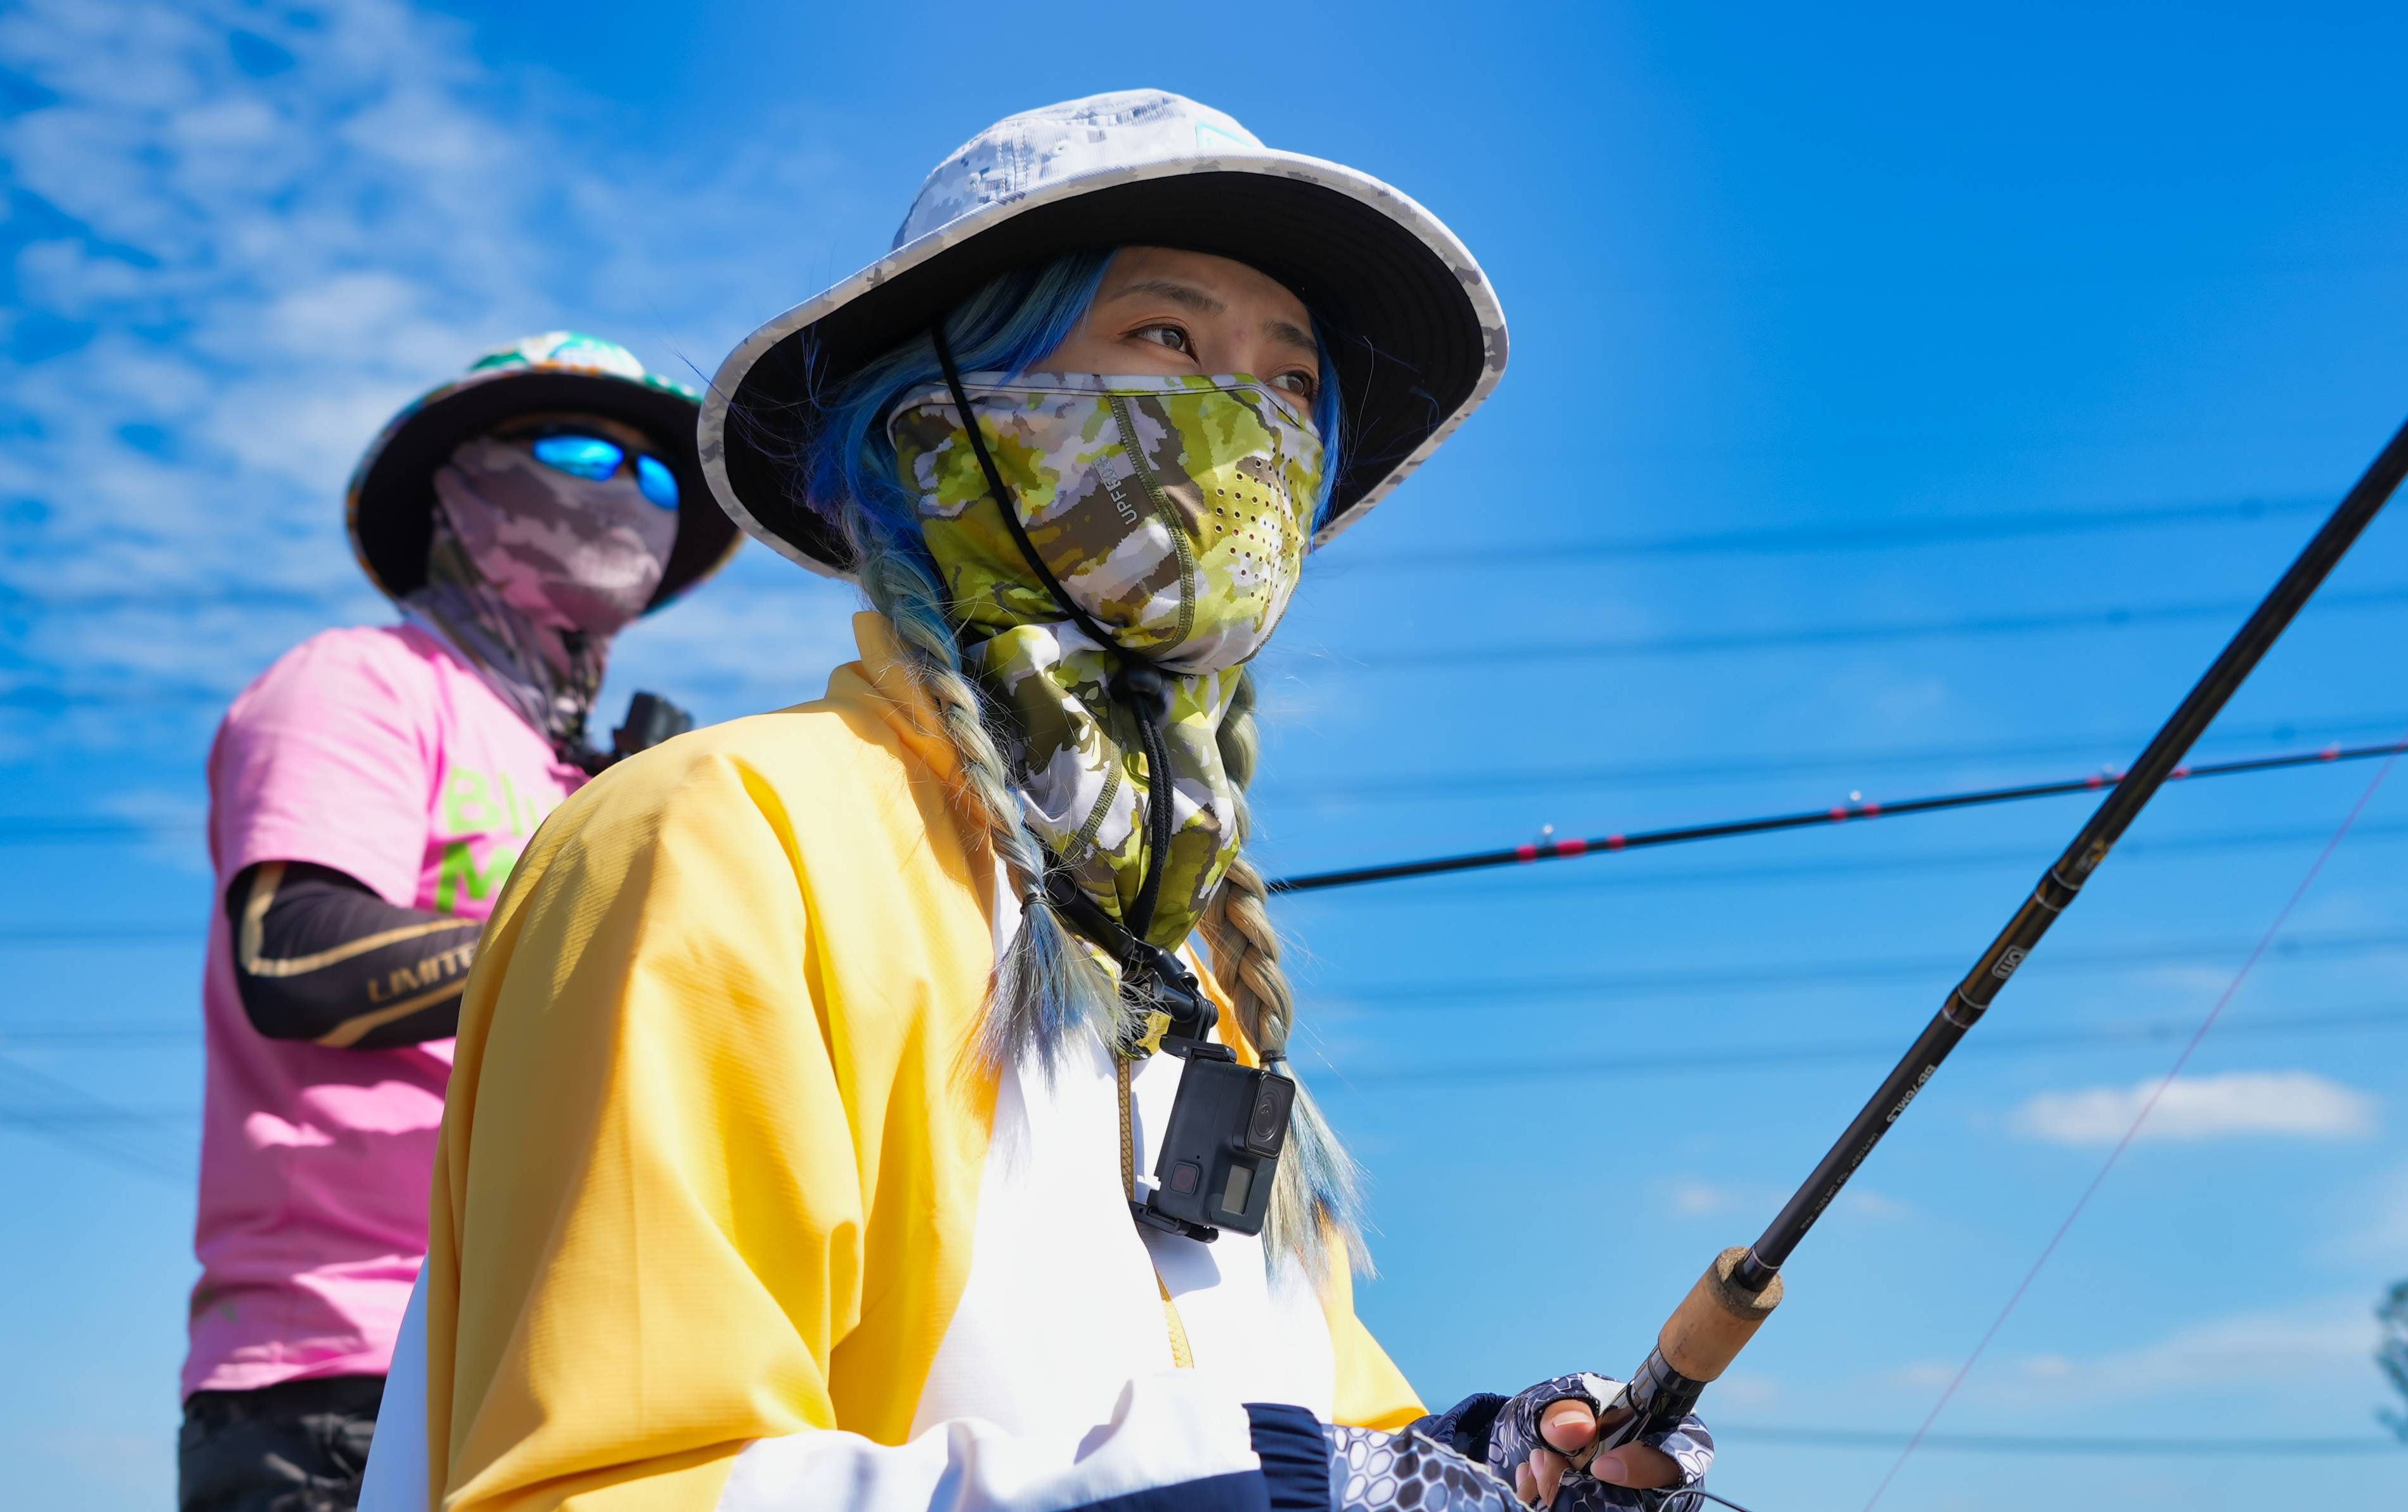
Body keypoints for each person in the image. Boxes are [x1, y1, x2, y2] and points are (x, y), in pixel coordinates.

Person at [363, 94, 1714, 1512]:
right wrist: (1267, 1491)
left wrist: (1494, 1464)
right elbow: (600, 1482)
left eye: (1292, 384)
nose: (1243, 422)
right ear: (945, 427)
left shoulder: (1170, 957)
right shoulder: (718, 839)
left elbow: (1290, 1418)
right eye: (1168, 340)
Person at [182, 333, 740, 1512]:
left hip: (549, 1360)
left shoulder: (591, 774)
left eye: (652, 482)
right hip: (345, 1373)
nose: (620, 496)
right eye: (582, 452)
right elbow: (295, 956)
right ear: (457, 486)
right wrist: (617, 919)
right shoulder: (358, 682)